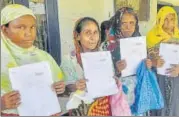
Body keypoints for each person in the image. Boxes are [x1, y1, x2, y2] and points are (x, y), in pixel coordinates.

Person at [1, 4, 65, 116]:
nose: (29, 33)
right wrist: (1, 103)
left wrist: (60, 88)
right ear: (5, 30)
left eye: (33, 27)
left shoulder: (44, 57)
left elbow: (59, 88)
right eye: (21, 27)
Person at [61, 17, 121, 116]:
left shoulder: (103, 56)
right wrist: (75, 86)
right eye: (87, 33)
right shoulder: (70, 59)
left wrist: (114, 80)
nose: (93, 38)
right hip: (80, 111)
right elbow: (64, 90)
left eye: (95, 32)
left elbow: (111, 81)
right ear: (77, 36)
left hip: (103, 108)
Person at [105, 7, 152, 114]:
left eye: (132, 23)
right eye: (123, 23)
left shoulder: (140, 43)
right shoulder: (108, 46)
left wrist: (148, 66)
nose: (128, 27)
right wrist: (116, 70)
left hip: (139, 94)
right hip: (119, 97)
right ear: (117, 23)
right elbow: (102, 76)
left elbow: (146, 71)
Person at [147, 6, 179, 116]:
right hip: (157, 78)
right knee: (160, 107)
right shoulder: (151, 37)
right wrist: (154, 62)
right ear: (160, 20)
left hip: (176, 79)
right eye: (166, 19)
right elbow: (143, 59)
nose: (169, 22)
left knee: (175, 107)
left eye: (172, 19)